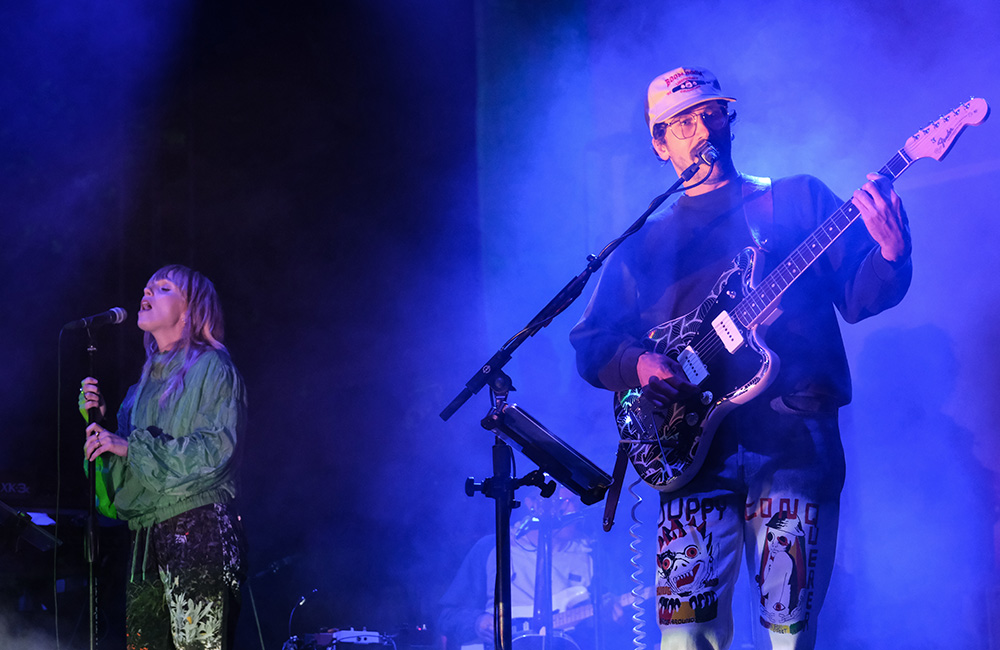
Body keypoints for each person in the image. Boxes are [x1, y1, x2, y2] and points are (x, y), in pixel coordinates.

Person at [570, 67, 912, 650]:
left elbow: (858, 296)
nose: (703, 127)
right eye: (682, 122)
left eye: (712, 112)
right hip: (688, 452)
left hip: (792, 438)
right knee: (685, 637)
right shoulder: (642, 244)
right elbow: (592, 342)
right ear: (659, 144)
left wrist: (890, 250)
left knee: (788, 630)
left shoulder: (795, 198)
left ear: (730, 120)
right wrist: (641, 365)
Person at [80, 264, 248, 650]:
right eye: (147, 287)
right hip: (146, 536)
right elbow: (123, 483)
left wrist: (129, 446)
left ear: (190, 309)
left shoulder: (214, 367)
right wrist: (103, 426)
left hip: (198, 528)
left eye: (164, 287)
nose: (147, 292)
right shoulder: (140, 388)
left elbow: (216, 449)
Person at [437, 488, 626, 650]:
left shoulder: (593, 554)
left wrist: (611, 621)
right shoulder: (494, 548)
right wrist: (477, 623)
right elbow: (447, 615)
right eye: (565, 501)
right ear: (533, 503)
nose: (573, 510)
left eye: (577, 502)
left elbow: (616, 623)